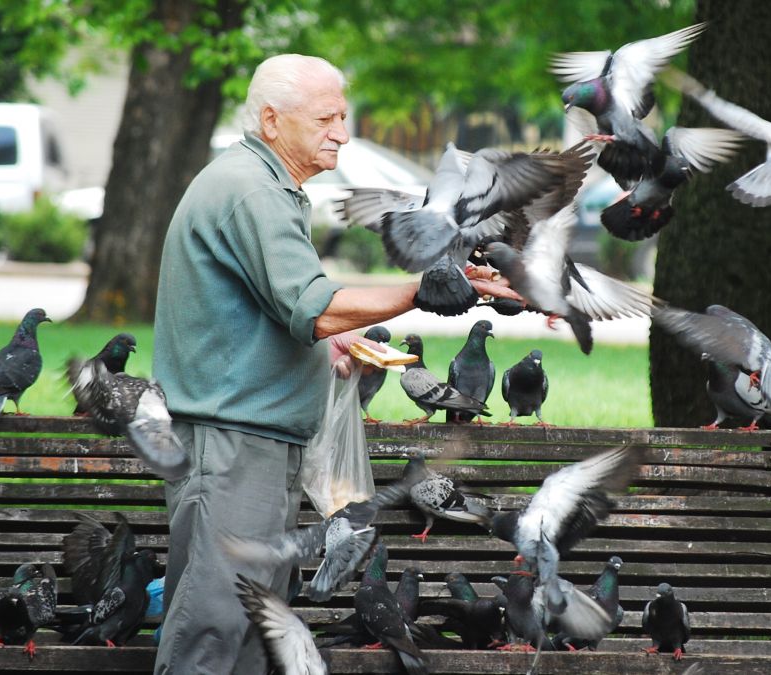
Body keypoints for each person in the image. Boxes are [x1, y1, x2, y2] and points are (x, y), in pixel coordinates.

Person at [151, 54, 518, 674]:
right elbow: (313, 308)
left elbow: (269, 311)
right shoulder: (250, 191)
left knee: (249, 635)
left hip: (250, 444)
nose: (343, 134)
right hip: (233, 447)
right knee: (213, 632)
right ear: (272, 120)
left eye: (343, 117)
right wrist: (420, 289)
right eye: (326, 119)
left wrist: (333, 343)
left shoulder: (265, 186)